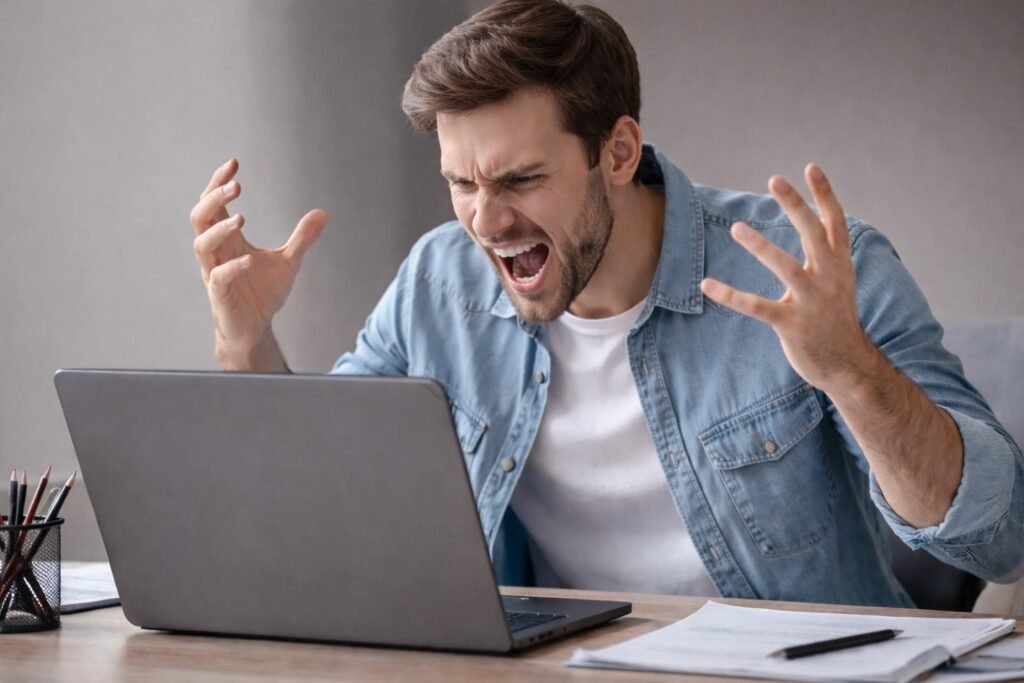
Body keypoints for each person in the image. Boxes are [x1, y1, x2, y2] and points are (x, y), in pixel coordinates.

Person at [188, 0, 1023, 606]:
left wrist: (853, 373)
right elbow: (320, 510)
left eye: (520, 179)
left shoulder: (814, 271)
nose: (486, 221)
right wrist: (246, 341)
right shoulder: (439, 281)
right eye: (460, 182)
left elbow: (1003, 538)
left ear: (618, 152)